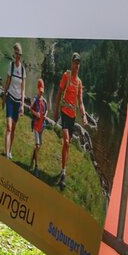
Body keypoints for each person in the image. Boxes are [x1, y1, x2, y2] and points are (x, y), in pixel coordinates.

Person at [55, 52, 86, 186]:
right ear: (72, 63)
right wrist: (56, 110)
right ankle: (63, 172)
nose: (77, 65)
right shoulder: (66, 76)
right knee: (67, 142)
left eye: (78, 63)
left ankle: (63, 170)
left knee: (67, 145)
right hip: (64, 113)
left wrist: (84, 116)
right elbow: (59, 93)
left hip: (72, 116)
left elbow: (81, 102)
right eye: (75, 62)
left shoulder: (79, 82)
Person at [3, 43, 28, 159]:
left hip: (17, 102)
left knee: (13, 128)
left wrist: (22, 105)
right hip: (10, 98)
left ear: (21, 56)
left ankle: (10, 150)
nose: (18, 56)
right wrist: (4, 96)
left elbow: (23, 90)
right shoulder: (11, 66)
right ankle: (7, 154)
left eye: (19, 54)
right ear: (14, 54)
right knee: (8, 127)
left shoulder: (22, 70)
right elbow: (7, 82)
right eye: (16, 54)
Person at [28, 77, 49, 168]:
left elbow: (47, 110)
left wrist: (46, 115)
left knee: (39, 146)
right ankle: (36, 166)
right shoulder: (35, 99)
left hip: (42, 125)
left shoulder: (44, 101)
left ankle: (33, 157)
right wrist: (36, 113)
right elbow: (30, 108)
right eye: (40, 91)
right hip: (36, 125)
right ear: (38, 89)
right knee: (37, 145)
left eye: (42, 91)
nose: (41, 93)